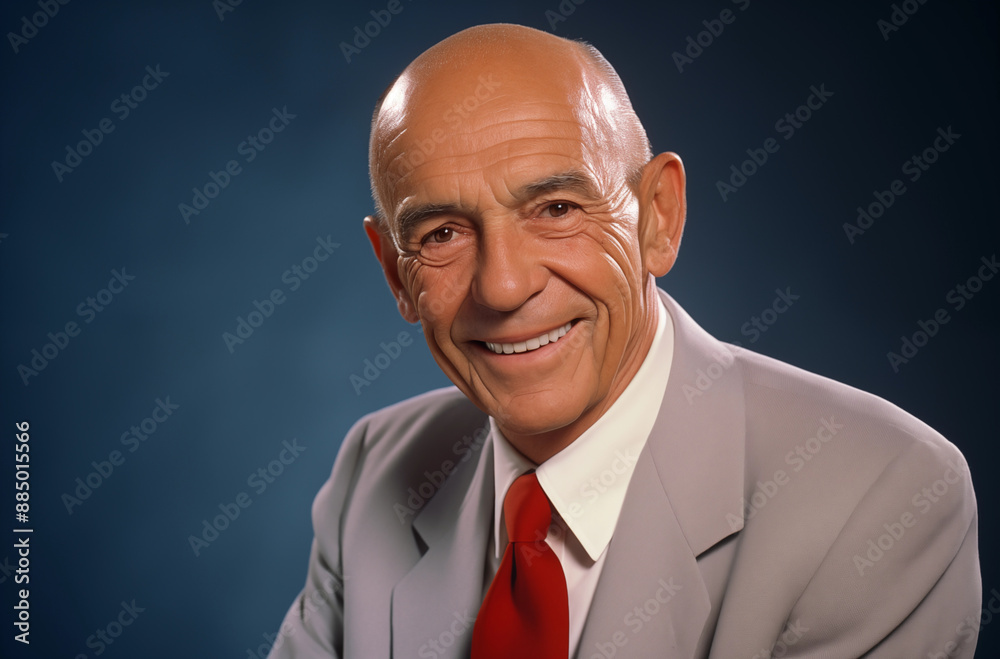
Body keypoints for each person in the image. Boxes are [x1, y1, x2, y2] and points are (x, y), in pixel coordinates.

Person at [269, 23, 981, 659]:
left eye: (556, 208)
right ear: (396, 272)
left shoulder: (882, 494)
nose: (505, 286)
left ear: (658, 218)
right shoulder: (374, 471)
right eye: (443, 234)